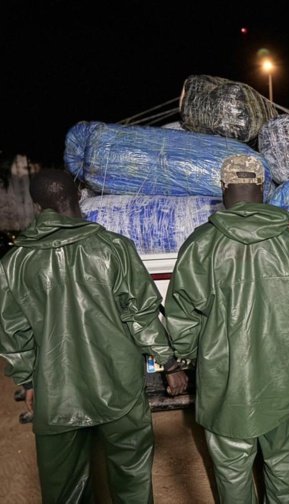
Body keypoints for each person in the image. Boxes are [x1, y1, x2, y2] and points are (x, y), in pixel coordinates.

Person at [0, 169, 188, 503]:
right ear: (77, 196)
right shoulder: (113, 247)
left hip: (56, 394)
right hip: (120, 388)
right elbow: (141, 316)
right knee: (131, 482)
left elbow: (12, 333)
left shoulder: (13, 263)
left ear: (37, 207)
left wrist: (28, 382)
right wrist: (169, 365)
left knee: (64, 491)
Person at [164, 154, 289, 503]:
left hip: (225, 389)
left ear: (223, 188)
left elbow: (181, 318)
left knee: (232, 474)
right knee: (285, 465)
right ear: (263, 188)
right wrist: (279, 345)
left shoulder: (201, 244)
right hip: (280, 383)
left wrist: (197, 358)